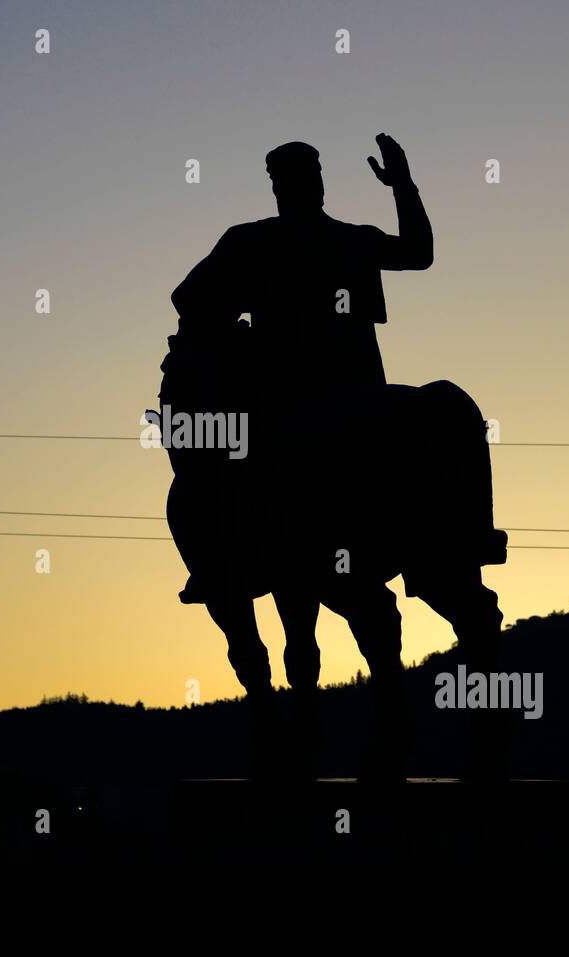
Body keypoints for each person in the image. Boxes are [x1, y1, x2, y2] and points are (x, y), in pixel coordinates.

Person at [163, 134, 505, 780]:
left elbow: (186, 303)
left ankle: (227, 570)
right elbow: (420, 252)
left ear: (277, 187)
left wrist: (236, 330)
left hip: (289, 412)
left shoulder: (250, 243)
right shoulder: (348, 239)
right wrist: (403, 185)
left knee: (211, 494)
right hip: (363, 397)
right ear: (313, 184)